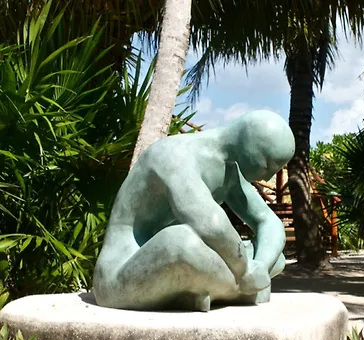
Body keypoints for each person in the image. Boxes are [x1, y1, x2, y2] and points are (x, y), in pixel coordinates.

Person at [93, 110, 295, 311]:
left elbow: (268, 221)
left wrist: (261, 265)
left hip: (185, 264)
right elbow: (210, 224)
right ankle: (241, 289)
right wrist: (246, 272)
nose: (267, 177)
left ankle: (209, 289)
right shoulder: (173, 153)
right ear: (250, 146)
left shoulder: (230, 171)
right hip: (119, 275)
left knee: (274, 257)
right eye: (267, 165)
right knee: (180, 241)